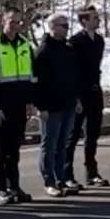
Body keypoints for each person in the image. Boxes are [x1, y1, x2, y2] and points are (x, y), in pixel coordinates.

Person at [0, 10, 37, 204]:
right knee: (1, 148)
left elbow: (31, 76)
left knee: (15, 148)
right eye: (12, 22)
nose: (15, 26)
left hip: (20, 104)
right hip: (2, 105)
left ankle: (14, 186)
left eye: (19, 22)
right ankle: (0, 188)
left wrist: (30, 101)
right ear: (3, 22)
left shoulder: (25, 44)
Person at [33, 13, 82, 196]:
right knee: (50, 144)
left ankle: (61, 179)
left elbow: (74, 77)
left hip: (68, 103)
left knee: (63, 144)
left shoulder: (68, 50)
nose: (66, 29)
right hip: (50, 106)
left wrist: (76, 99)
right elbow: (37, 83)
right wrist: (41, 106)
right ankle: (49, 181)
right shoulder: (43, 52)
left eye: (67, 25)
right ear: (52, 27)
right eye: (63, 25)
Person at [65, 5, 107, 187]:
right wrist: (76, 97)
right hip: (80, 92)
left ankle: (92, 172)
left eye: (98, 17)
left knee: (93, 133)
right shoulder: (75, 42)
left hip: (95, 90)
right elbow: (72, 71)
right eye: (94, 18)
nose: (98, 21)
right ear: (84, 21)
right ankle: (67, 173)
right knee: (73, 135)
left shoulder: (99, 40)